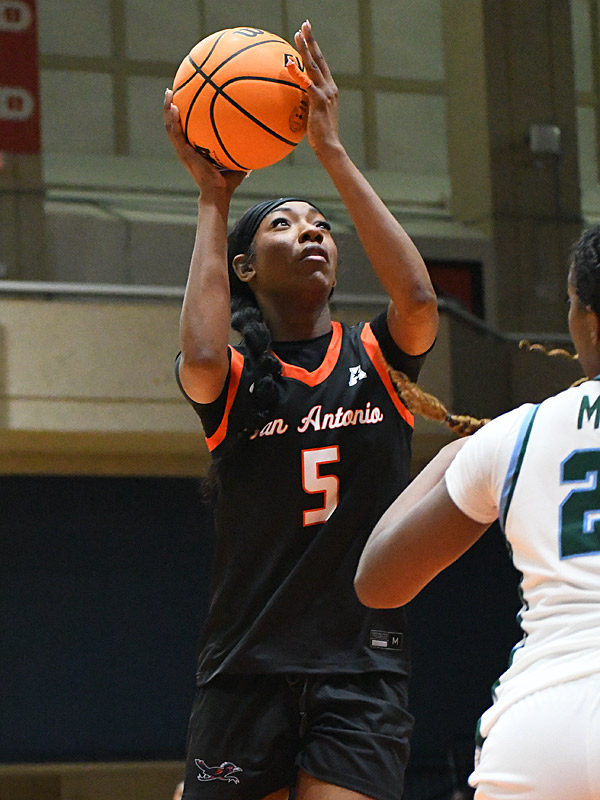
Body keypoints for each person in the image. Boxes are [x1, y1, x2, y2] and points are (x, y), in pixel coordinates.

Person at [164, 19, 438, 800]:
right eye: (285, 222)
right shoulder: (242, 382)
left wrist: (331, 151)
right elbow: (204, 357)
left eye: (321, 224)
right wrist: (215, 198)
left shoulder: (379, 361)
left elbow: (417, 297)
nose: (312, 230)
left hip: (360, 667)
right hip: (246, 667)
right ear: (245, 267)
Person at [354, 224, 600, 800]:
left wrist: (452, 456)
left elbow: (377, 581)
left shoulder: (519, 432)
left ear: (587, 320)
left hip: (540, 733)